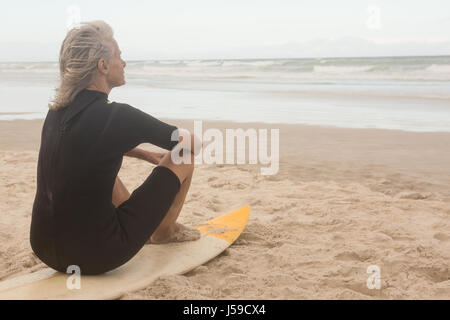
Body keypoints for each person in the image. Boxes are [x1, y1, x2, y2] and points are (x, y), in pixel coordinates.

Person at [30, 21, 202, 275]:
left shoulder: (56, 112)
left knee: (86, 162)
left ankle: (148, 227)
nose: (123, 63)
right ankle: (163, 232)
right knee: (183, 155)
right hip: (98, 254)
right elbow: (190, 143)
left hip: (45, 249)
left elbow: (88, 141)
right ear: (103, 65)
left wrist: (142, 153)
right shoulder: (119, 116)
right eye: (119, 56)